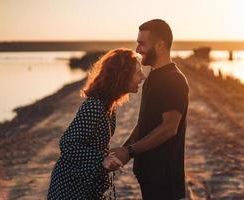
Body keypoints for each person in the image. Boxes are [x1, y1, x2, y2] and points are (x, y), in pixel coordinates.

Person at [47, 48, 145, 199]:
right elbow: (67, 144)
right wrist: (102, 160)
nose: (142, 76)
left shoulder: (108, 105)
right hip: (70, 187)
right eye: (138, 72)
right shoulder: (94, 105)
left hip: (85, 184)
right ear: (123, 76)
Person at [109, 19, 189, 200]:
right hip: (149, 173)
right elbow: (144, 123)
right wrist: (124, 151)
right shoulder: (154, 77)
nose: (137, 49)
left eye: (142, 43)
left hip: (164, 176)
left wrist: (129, 151)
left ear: (160, 45)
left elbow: (169, 128)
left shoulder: (174, 79)